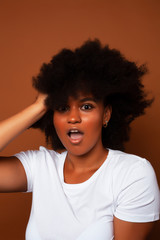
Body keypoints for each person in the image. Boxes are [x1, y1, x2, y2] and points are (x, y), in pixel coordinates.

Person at [0, 39, 159, 240]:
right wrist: (37, 107)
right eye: (62, 108)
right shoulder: (40, 166)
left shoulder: (132, 174)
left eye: (86, 106)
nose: (73, 117)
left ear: (106, 115)